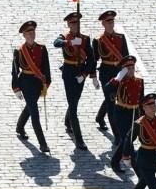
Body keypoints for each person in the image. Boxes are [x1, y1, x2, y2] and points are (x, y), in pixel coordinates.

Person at [53, 11, 95, 150]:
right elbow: (56, 43)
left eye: (77, 23)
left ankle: (67, 121)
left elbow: (91, 59)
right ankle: (79, 140)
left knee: (74, 101)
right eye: (72, 24)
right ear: (68, 25)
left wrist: (85, 74)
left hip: (80, 72)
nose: (75, 26)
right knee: (73, 106)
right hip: (69, 73)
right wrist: (70, 42)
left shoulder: (85, 39)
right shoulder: (65, 37)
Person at [12, 20, 52, 153]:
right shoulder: (19, 51)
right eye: (28, 33)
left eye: (33, 32)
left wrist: (46, 84)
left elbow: (46, 67)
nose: (31, 35)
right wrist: (16, 88)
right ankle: (43, 143)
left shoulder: (41, 48)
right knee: (34, 112)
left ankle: (20, 126)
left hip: (38, 82)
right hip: (26, 83)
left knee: (30, 106)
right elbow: (15, 71)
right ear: (24, 35)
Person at [104, 56, 144, 174]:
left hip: (134, 113)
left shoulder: (139, 80)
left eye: (132, 68)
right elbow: (107, 89)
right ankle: (140, 174)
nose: (131, 70)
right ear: (124, 70)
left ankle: (115, 161)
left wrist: (143, 116)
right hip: (121, 113)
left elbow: (141, 99)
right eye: (128, 68)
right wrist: (117, 78)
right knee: (128, 142)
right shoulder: (119, 81)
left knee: (126, 140)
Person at [92, 10, 129, 132]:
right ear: (103, 23)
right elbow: (94, 60)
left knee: (112, 97)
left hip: (119, 72)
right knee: (111, 103)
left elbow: (126, 57)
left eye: (112, 21)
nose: (111, 24)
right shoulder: (98, 40)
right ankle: (117, 135)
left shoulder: (120, 37)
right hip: (106, 73)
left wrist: (127, 72)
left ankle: (100, 117)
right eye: (108, 22)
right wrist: (94, 77)